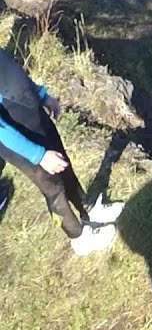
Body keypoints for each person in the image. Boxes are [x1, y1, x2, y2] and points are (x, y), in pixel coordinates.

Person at [0, 48, 121, 255]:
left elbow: (10, 72)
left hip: (34, 116)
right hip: (18, 140)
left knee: (64, 165)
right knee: (52, 188)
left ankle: (88, 210)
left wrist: (42, 95)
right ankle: (79, 238)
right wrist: (38, 155)